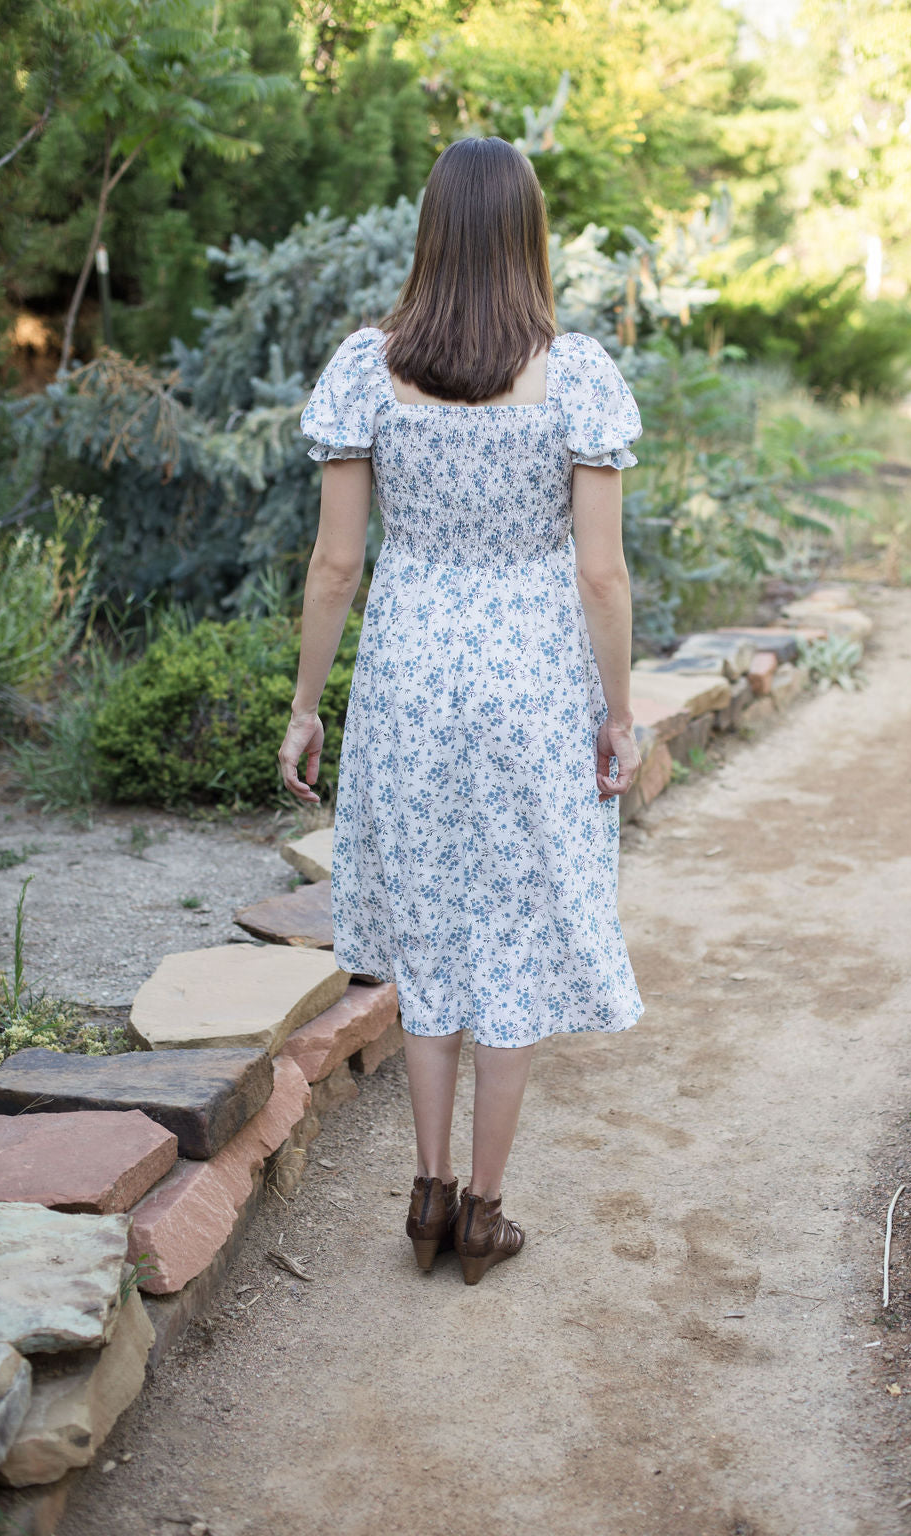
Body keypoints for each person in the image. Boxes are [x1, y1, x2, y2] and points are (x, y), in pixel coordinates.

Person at [279, 135, 644, 1286]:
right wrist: (620, 713)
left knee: (429, 934)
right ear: (528, 235)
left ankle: (426, 1191)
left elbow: (336, 566)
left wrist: (304, 706)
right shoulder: (575, 373)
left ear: (431, 232)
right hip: (534, 683)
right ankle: (487, 1210)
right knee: (518, 937)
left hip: (410, 678)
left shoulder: (366, 367)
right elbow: (601, 575)